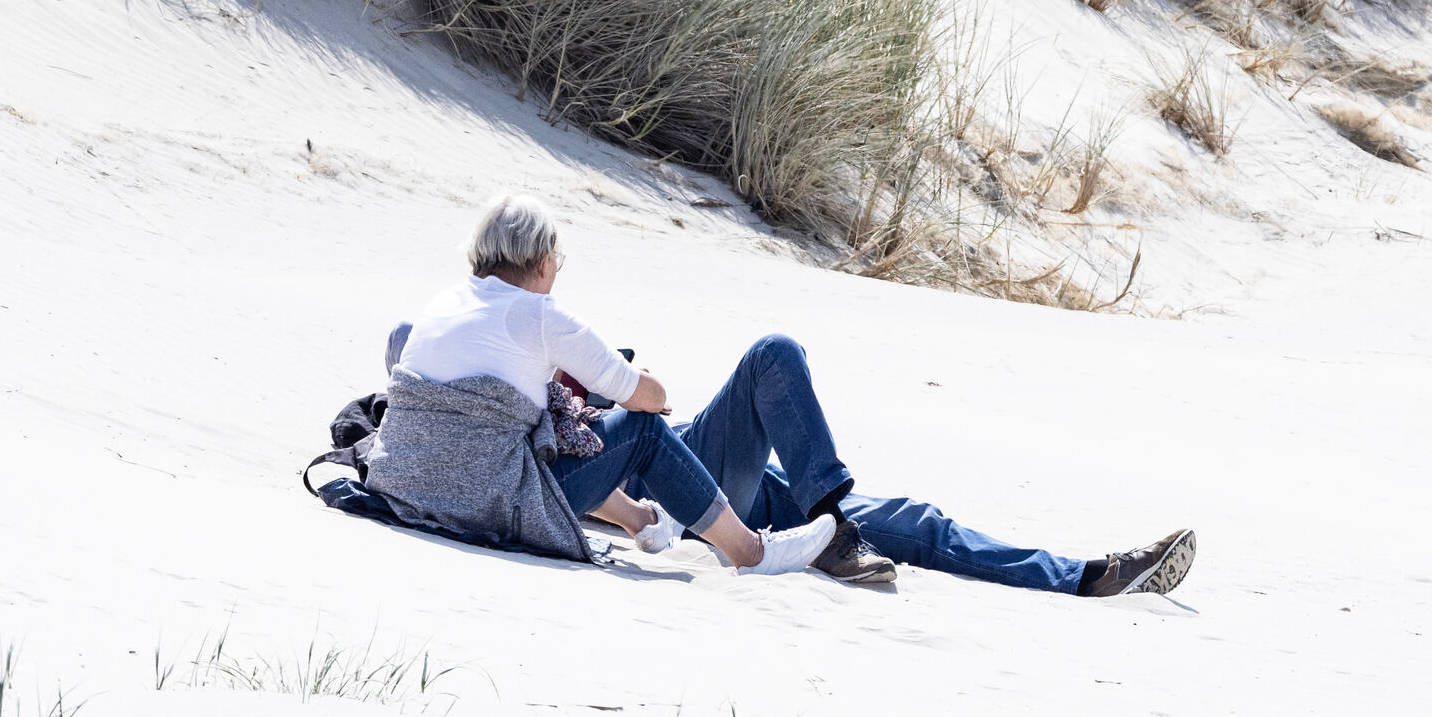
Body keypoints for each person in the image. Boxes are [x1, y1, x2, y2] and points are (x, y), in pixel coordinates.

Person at [391, 193, 1197, 596]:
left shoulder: (445, 326)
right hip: (647, 480)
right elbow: (646, 405)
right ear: (539, 266)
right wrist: (606, 403)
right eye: (556, 265)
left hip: (663, 478)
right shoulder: (532, 321)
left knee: (911, 520)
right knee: (774, 355)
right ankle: (833, 520)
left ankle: (1083, 575)